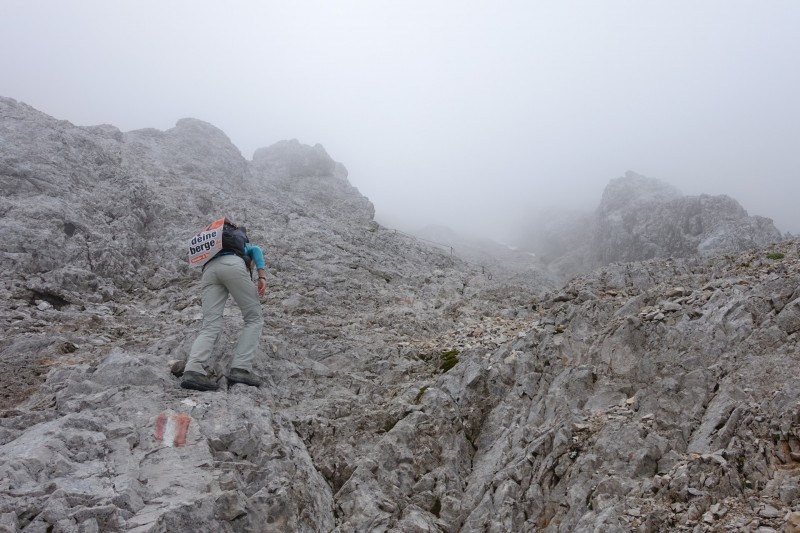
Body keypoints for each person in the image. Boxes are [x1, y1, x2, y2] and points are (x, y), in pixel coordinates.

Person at [181, 218, 267, 391]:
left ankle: (193, 369)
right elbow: (256, 250)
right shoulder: (242, 245)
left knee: (210, 324)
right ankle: (241, 368)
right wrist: (261, 275)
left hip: (209, 271)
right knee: (254, 318)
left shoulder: (215, 247)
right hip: (232, 265)